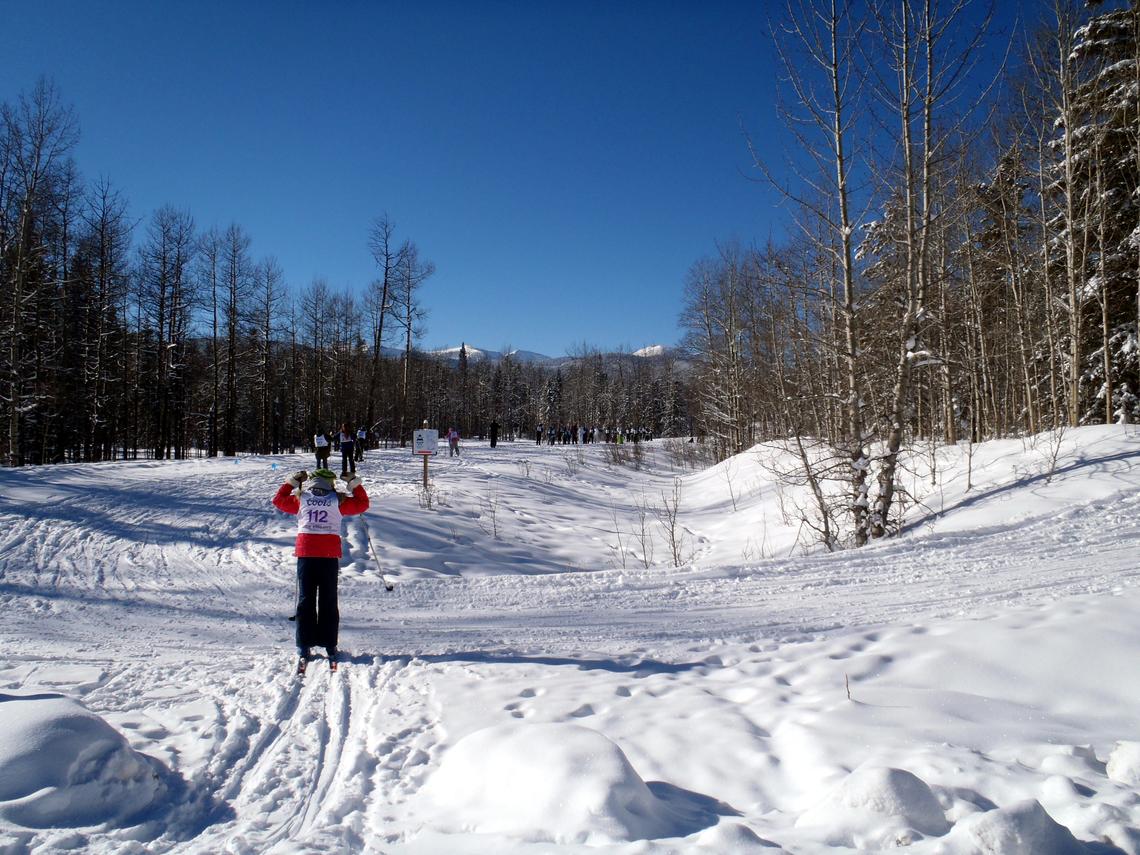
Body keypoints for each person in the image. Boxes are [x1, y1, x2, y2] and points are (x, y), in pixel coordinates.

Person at [272, 467, 369, 673]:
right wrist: (353, 483)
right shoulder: (338, 500)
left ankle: (304, 644)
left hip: (306, 553)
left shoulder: (301, 498)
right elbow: (362, 504)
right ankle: (329, 642)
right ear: (331, 483)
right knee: (328, 599)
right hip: (328, 555)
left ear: (311, 482)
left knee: (306, 599)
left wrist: (291, 482)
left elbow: (278, 500)